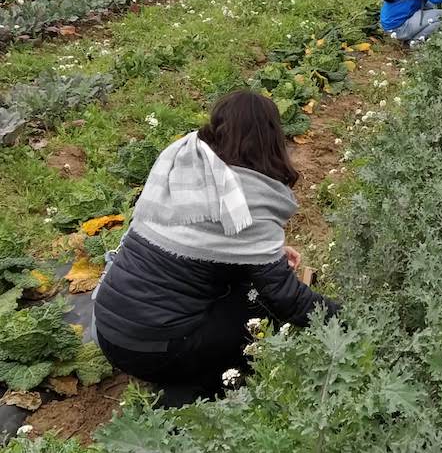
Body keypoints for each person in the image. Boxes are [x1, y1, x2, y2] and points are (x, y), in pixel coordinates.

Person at [94, 91, 341, 406]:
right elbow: (286, 299)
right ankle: (192, 391)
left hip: (110, 332)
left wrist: (266, 255)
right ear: (271, 139)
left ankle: (183, 367)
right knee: (261, 307)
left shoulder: (187, 165)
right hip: (157, 350)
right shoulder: (248, 199)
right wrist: (348, 318)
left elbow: (201, 243)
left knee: (251, 286)